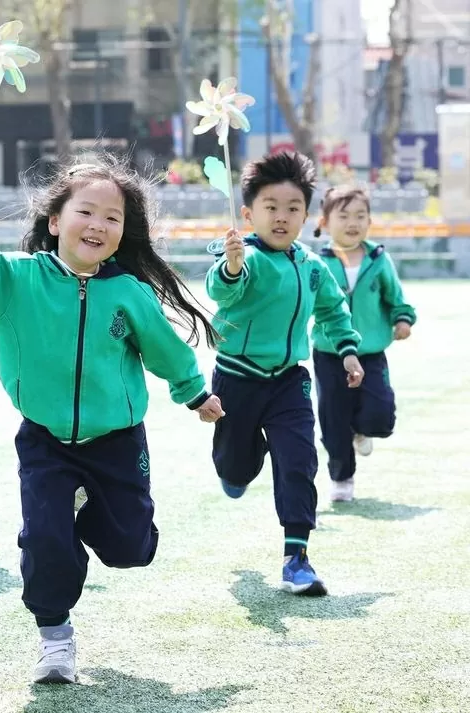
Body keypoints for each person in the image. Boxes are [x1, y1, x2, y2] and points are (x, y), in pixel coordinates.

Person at [0, 157, 224, 684]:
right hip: (46, 441)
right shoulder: (14, 280)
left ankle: (81, 512)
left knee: (131, 550)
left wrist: (195, 393)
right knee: (46, 539)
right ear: (55, 220)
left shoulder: (128, 291)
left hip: (117, 441)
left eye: (112, 218)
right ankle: (55, 637)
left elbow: (166, 349)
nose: (98, 225)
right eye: (86, 211)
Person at [205, 151, 364, 598]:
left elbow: (333, 310)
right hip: (236, 378)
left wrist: (348, 352)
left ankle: (297, 558)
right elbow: (221, 290)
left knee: (299, 461)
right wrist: (232, 266)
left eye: (293, 208)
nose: (281, 217)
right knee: (235, 466)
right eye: (270, 207)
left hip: (289, 381)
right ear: (248, 213)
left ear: (305, 216)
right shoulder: (243, 255)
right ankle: (239, 465)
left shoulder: (312, 266)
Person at [311, 184, 415, 501]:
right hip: (329, 354)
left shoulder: (379, 260)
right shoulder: (316, 263)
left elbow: (397, 299)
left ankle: (361, 429)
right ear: (325, 222)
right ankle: (342, 478)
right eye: (343, 216)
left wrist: (402, 320)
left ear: (369, 221)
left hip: (370, 354)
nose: (352, 222)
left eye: (360, 215)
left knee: (380, 418)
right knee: (333, 419)